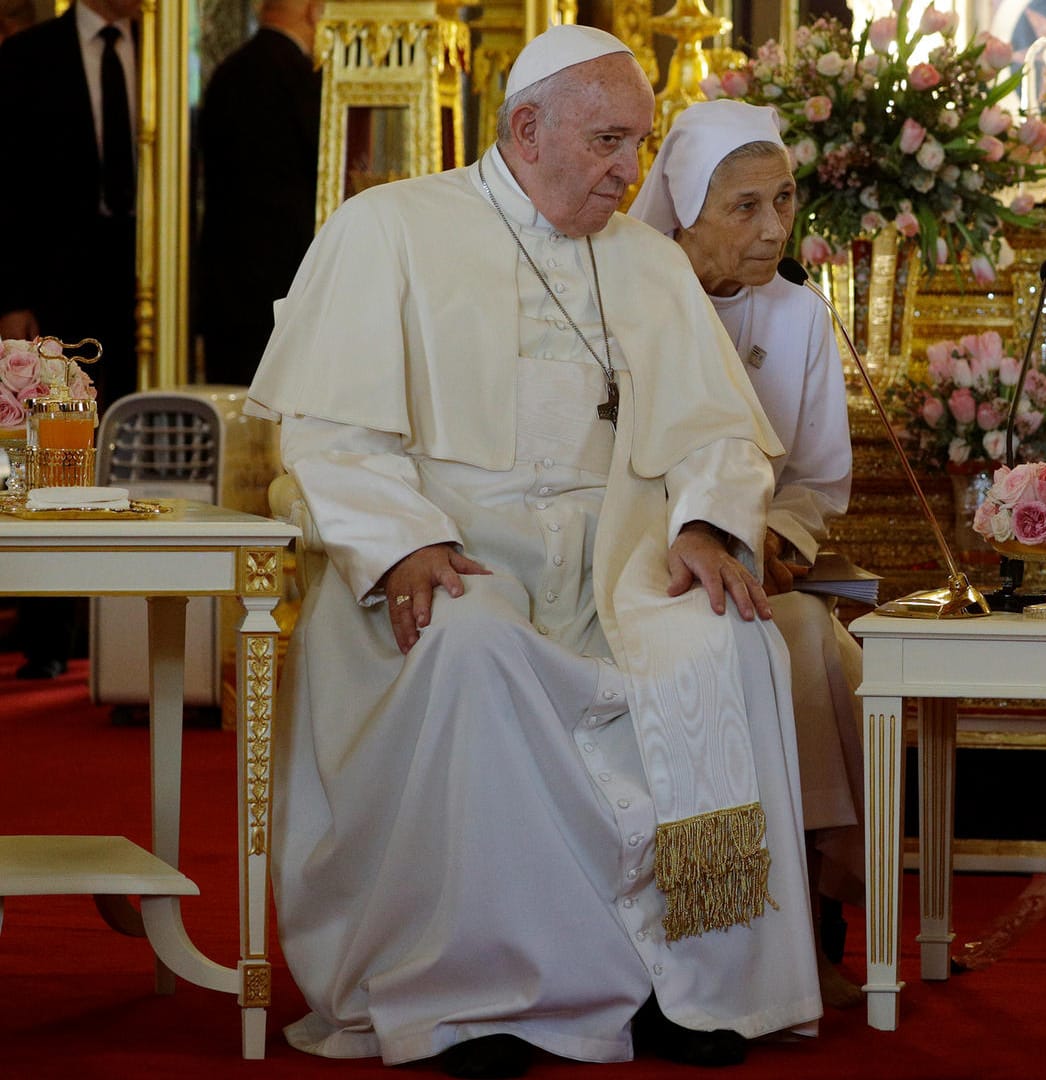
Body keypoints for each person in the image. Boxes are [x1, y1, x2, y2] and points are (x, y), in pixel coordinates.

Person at [246, 25, 820, 1078]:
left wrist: (703, 523)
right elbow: (326, 434)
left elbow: (720, 433)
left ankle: (683, 987)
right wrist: (405, 537)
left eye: (638, 146)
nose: (627, 172)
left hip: (619, 567)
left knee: (732, 641)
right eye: (607, 142)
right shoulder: (390, 230)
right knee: (472, 653)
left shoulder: (646, 263)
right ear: (526, 128)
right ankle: (480, 998)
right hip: (455, 555)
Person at [629, 99, 866, 1009]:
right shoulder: (631, 301)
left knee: (811, 644)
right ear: (686, 210)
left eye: (786, 200)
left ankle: (808, 906)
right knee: (768, 641)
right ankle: (712, 933)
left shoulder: (801, 319)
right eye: (746, 207)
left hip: (755, 573)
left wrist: (768, 535)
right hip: (639, 570)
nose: (775, 228)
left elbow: (815, 480)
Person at [0, 0, 141, 679]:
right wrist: (12, 298)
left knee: (133, 444)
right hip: (55, 289)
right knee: (51, 452)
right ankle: (50, 631)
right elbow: (5, 186)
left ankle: (129, 630)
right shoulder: (30, 56)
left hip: (150, 279)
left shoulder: (166, 61)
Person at [195, 0, 324, 385]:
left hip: (225, 280)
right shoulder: (300, 77)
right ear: (313, 10)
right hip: (288, 278)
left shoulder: (228, 72)